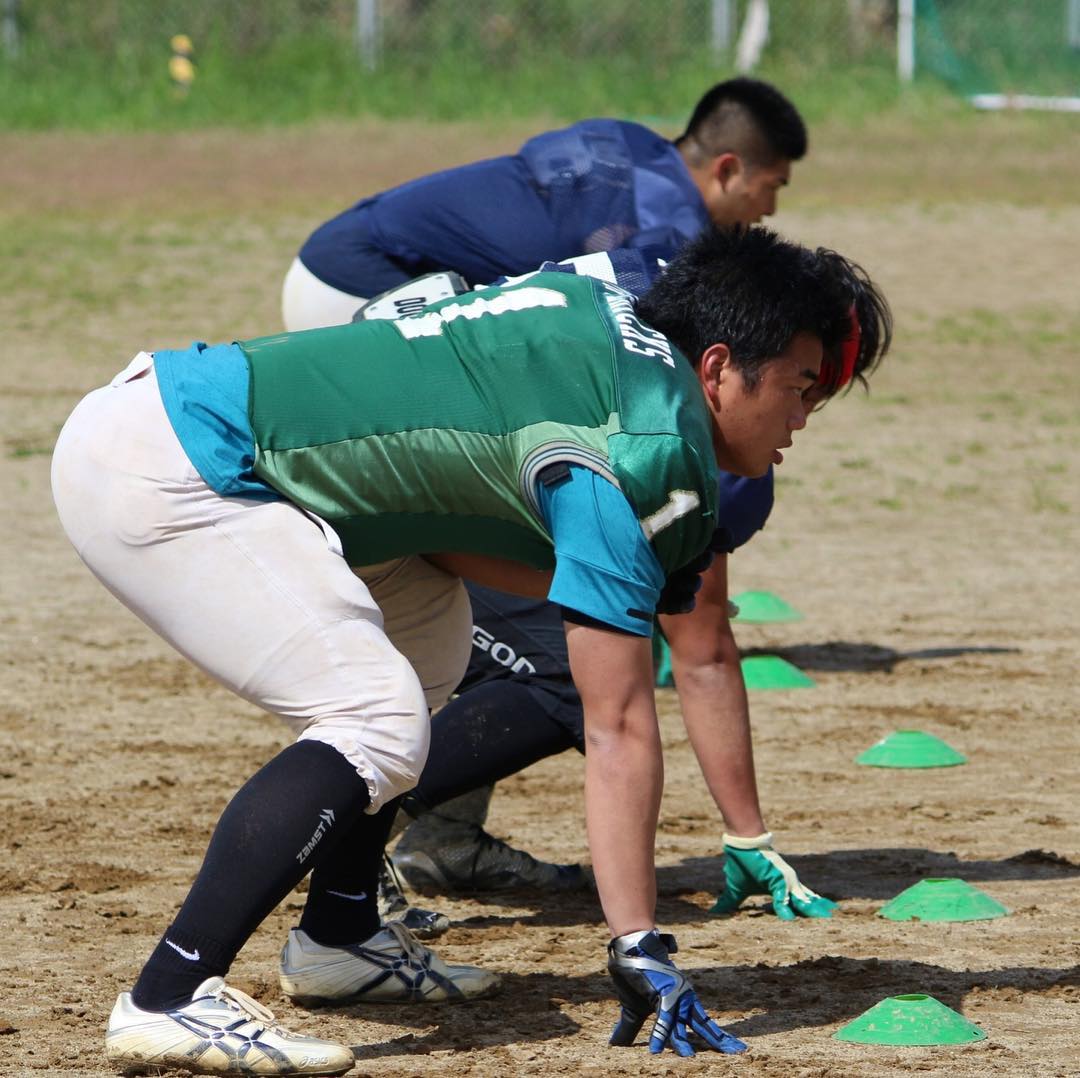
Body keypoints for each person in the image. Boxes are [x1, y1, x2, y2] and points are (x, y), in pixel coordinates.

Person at [52, 226, 882, 1073]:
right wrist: (638, 940)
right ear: (715, 367)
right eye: (799, 387)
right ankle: (171, 994)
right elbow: (619, 723)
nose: (802, 419)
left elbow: (452, 505)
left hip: (200, 425)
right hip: (185, 462)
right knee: (375, 718)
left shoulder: (607, 308)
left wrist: (610, 572)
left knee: (427, 664)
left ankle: (339, 938)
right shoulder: (650, 448)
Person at [281, 76, 807, 332]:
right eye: (772, 186)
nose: (770, 211)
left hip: (337, 249)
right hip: (359, 285)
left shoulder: (633, 142)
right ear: (729, 169)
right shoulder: (663, 230)